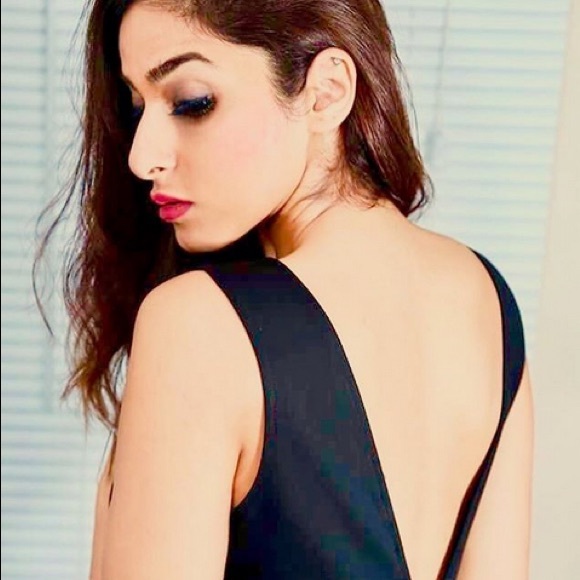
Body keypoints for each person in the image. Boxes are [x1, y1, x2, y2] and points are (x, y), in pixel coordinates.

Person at [35, 0, 534, 578]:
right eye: (137, 106)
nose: (142, 157)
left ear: (326, 93)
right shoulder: (487, 300)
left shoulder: (198, 324)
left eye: (192, 102)